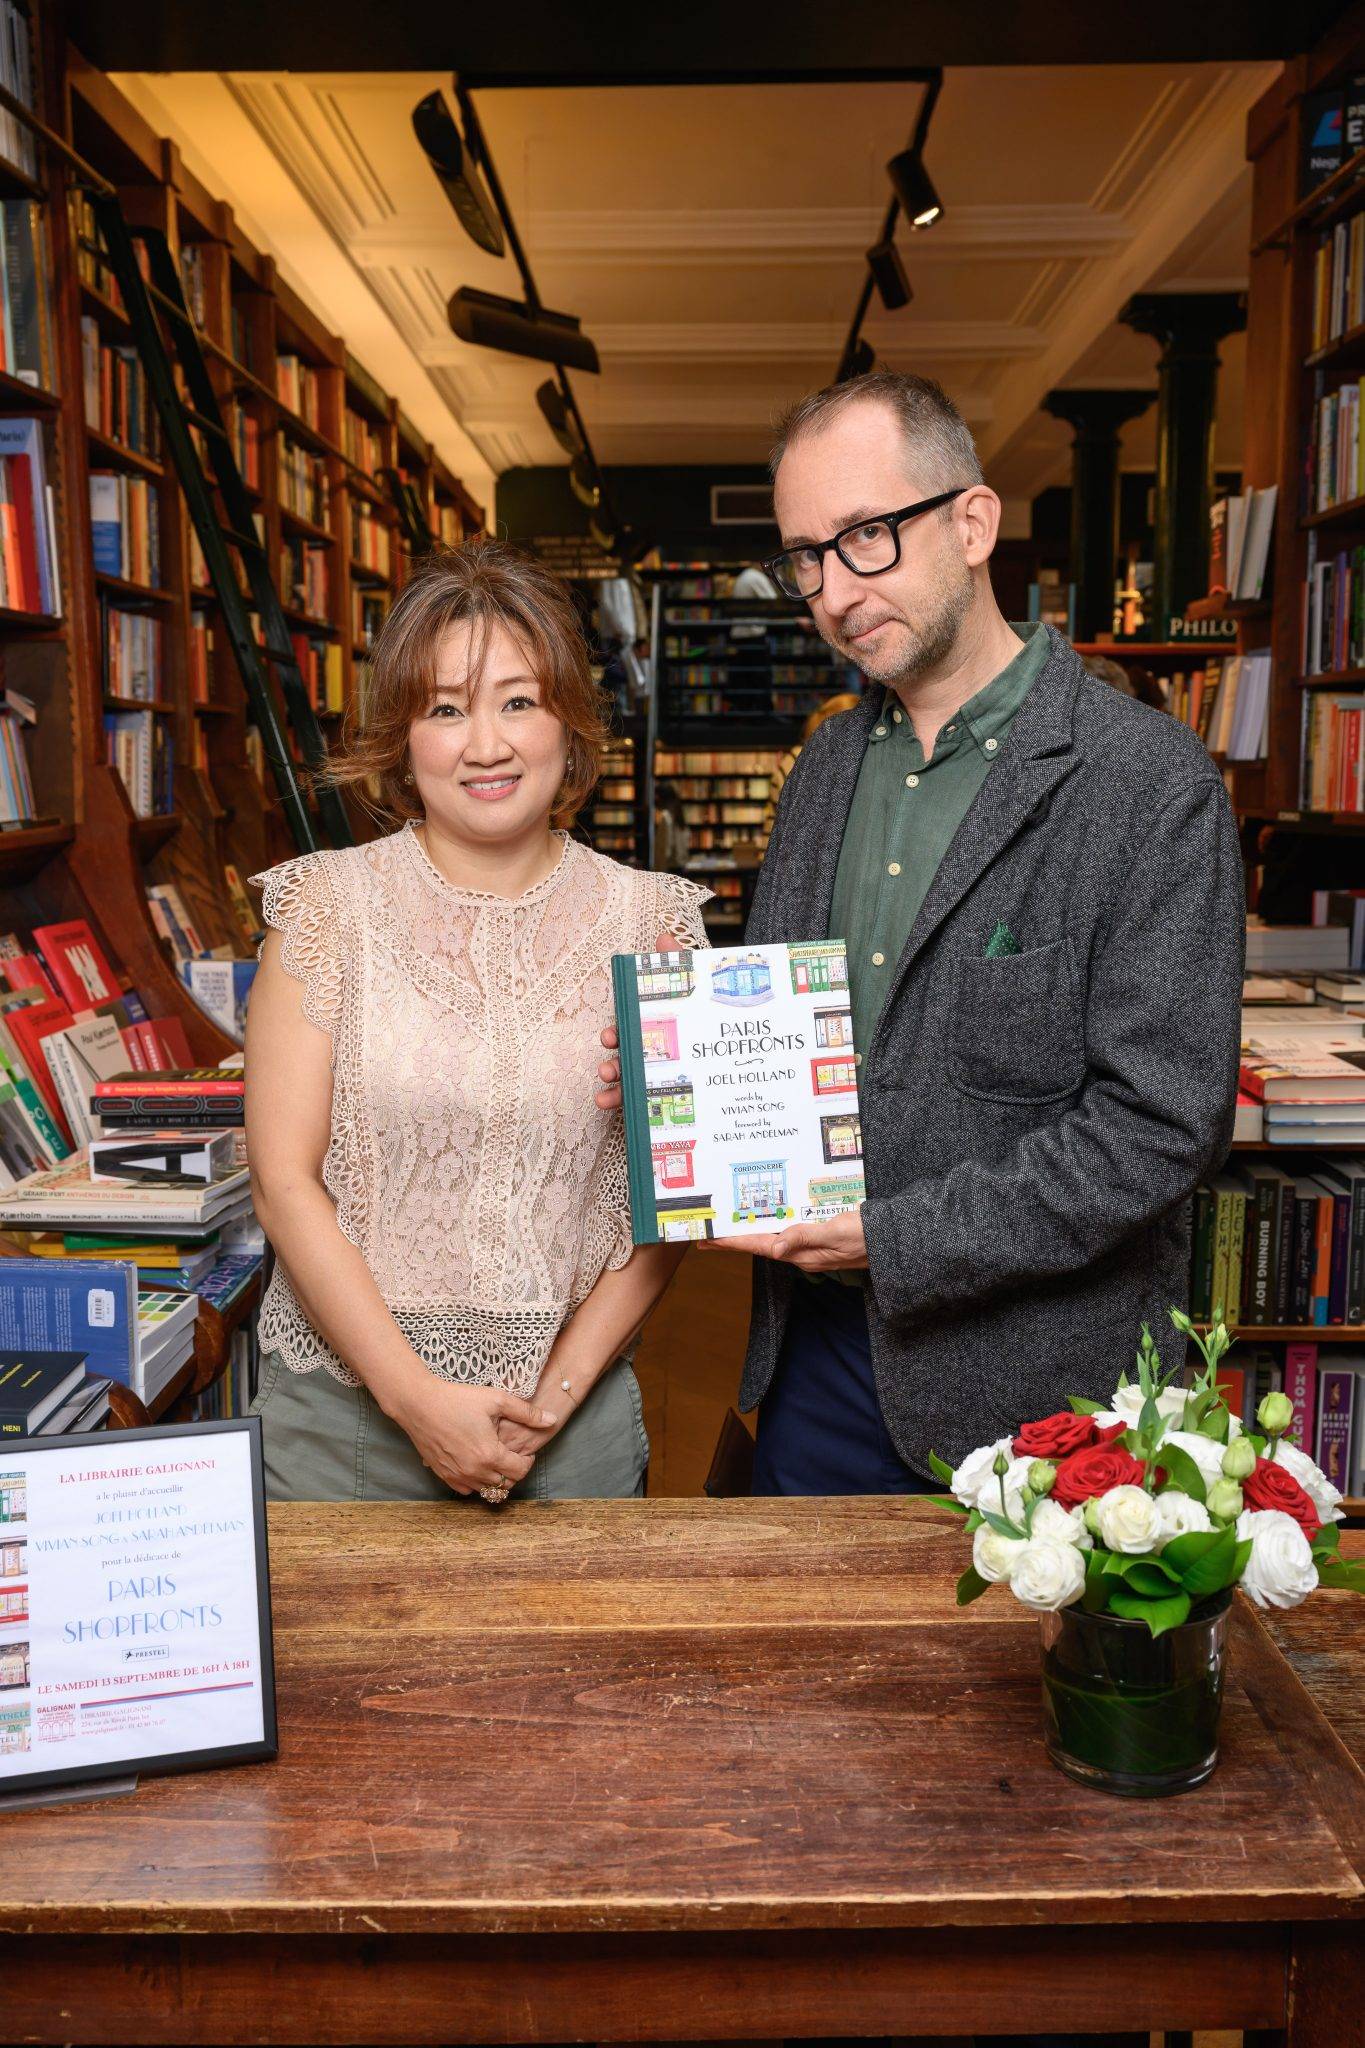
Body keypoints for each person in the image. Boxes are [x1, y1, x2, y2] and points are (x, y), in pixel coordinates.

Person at [598, 368, 1244, 1501]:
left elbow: (1157, 1126)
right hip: (811, 1367)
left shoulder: (1148, 783)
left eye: (867, 537)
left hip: (1039, 1405)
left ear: (974, 521)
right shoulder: (824, 768)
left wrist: (888, 1241)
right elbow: (773, 1028)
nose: (835, 592)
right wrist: (674, 1082)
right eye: (808, 556)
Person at [245, 540, 708, 1505]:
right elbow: (284, 1181)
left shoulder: (653, 923)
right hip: (347, 1435)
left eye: (518, 700)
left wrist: (556, 1395)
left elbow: (674, 1204)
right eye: (446, 709)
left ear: (568, 722)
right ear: (404, 738)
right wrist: (416, 1401)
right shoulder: (325, 909)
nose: (485, 744)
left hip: (566, 1434)